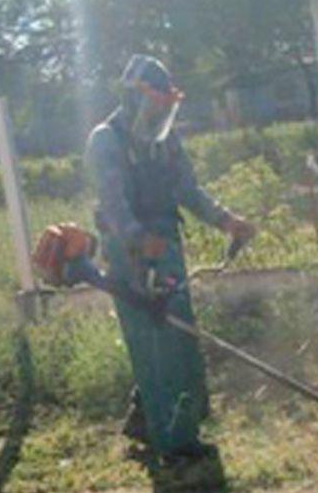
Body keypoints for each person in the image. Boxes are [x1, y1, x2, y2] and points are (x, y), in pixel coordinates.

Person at [85, 54, 256, 460]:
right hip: (130, 255)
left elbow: (188, 190)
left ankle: (153, 422)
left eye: (167, 105)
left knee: (178, 340)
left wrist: (227, 221)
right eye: (156, 103)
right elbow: (113, 204)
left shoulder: (165, 140)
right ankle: (174, 446)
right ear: (134, 98)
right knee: (156, 344)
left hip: (167, 247)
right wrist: (139, 241)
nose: (162, 112)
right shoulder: (106, 140)